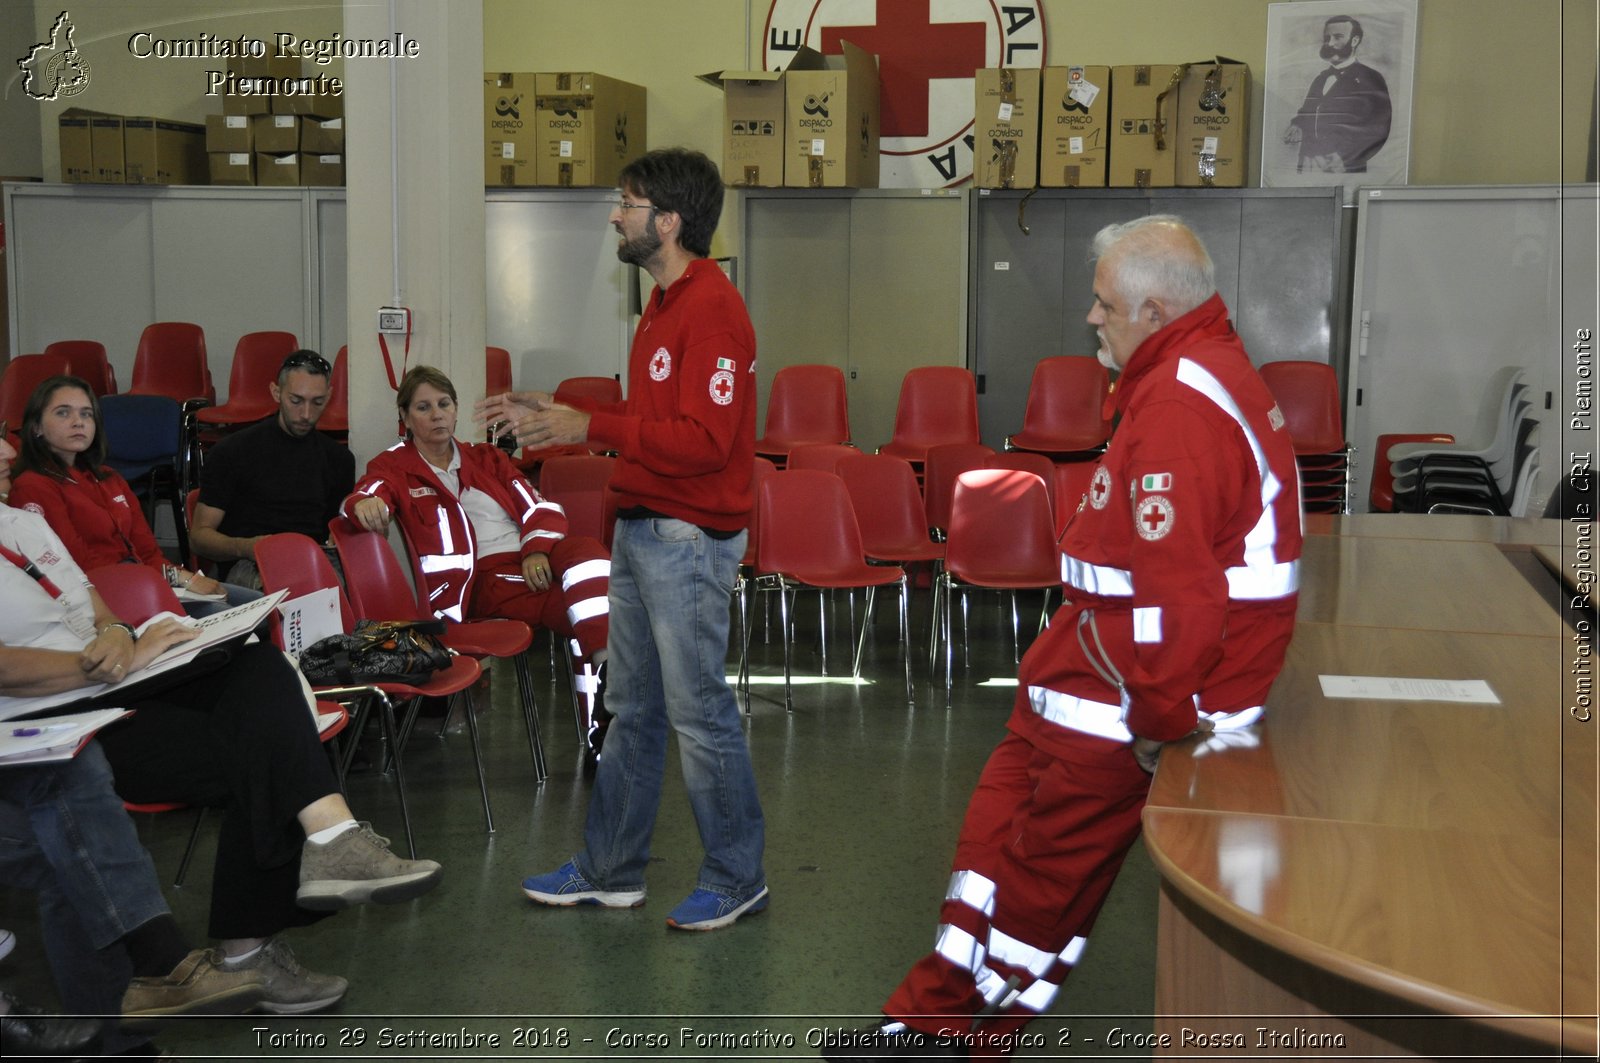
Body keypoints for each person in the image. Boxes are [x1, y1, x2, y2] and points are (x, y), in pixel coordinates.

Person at [825, 216, 1304, 1059]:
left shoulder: (1182, 407)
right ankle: (925, 1015)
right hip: (1088, 667)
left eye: (1104, 303)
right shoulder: (1178, 375)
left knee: (1042, 882)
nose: (1091, 317)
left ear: (1154, 311)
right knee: (988, 845)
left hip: (1133, 691)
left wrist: (1160, 723)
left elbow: (1175, 599)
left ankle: (970, 1038)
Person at [0, 424, 445, 1017]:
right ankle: (253, 947)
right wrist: (103, 663)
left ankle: (332, 836)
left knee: (258, 668)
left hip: (112, 680)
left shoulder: (21, 521)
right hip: (49, 722)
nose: (9, 451)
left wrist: (116, 635)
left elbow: (93, 605)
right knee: (265, 748)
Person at [482, 147, 768, 932]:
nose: (616, 213)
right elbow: (655, 428)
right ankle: (612, 868)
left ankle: (737, 874)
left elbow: (705, 439)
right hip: (643, 531)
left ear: (667, 222)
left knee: (697, 709)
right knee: (631, 706)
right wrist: (568, 414)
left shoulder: (713, 307)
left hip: (687, 539)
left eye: (628, 202)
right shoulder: (662, 305)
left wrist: (591, 424)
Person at [343, 365, 612, 757]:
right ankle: (603, 728)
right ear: (405, 418)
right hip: (480, 582)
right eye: (423, 407)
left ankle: (608, 677)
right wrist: (363, 505)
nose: (436, 414)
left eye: (444, 404)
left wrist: (535, 549)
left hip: (531, 556)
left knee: (586, 552)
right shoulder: (393, 466)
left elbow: (539, 507)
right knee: (588, 608)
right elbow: (367, 495)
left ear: (455, 410)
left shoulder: (485, 458)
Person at [8, 376, 258, 617]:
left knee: (260, 607)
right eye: (63, 412)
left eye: (86, 413)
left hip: (144, 582)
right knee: (227, 617)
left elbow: (148, 552)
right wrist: (172, 580)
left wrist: (183, 578)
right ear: (36, 427)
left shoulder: (108, 477)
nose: (78, 422)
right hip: (100, 599)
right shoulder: (33, 486)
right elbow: (77, 567)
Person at [191, 349, 355, 589]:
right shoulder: (232, 452)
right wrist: (246, 547)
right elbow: (199, 537)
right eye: (296, 401)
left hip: (312, 560)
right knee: (298, 597)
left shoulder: (338, 459)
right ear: (276, 393)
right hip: (249, 563)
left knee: (354, 589)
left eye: (317, 402)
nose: (306, 414)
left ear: (329, 396)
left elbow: (335, 532)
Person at [1284, 14, 1392, 174]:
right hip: (1308, 164)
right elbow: (1308, 111)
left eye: (1337, 37)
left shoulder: (1370, 78)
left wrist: (1344, 156)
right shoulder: (1321, 79)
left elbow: (1379, 128)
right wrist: (1297, 124)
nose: (1330, 43)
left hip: (1345, 167)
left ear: (1355, 41)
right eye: (1327, 37)